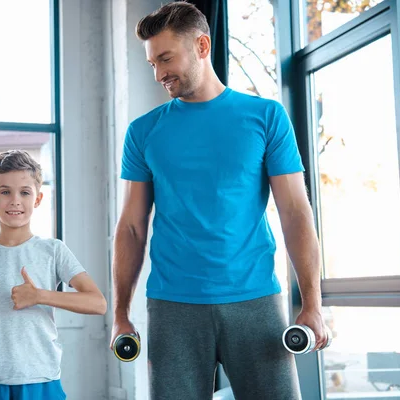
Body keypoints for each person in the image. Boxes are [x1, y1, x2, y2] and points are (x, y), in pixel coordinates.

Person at [110, 2, 328, 399]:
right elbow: (131, 226)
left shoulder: (266, 117)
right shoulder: (143, 133)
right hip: (172, 306)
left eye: (165, 58)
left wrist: (312, 302)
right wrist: (121, 313)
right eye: (151, 64)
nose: (159, 74)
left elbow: (295, 213)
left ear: (203, 45)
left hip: (256, 300)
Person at [0, 149, 107, 399]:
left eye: (25, 192)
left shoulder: (53, 251)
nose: (15, 200)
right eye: (5, 192)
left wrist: (40, 296)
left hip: (41, 379)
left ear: (38, 199)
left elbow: (97, 303)